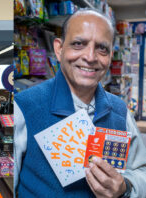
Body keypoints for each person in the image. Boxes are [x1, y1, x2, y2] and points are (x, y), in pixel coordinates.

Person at [14, 9, 146, 198]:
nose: (90, 57)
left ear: (110, 56)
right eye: (78, 44)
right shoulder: (24, 106)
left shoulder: (120, 111)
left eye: (102, 48)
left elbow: (142, 172)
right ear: (59, 49)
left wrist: (125, 187)